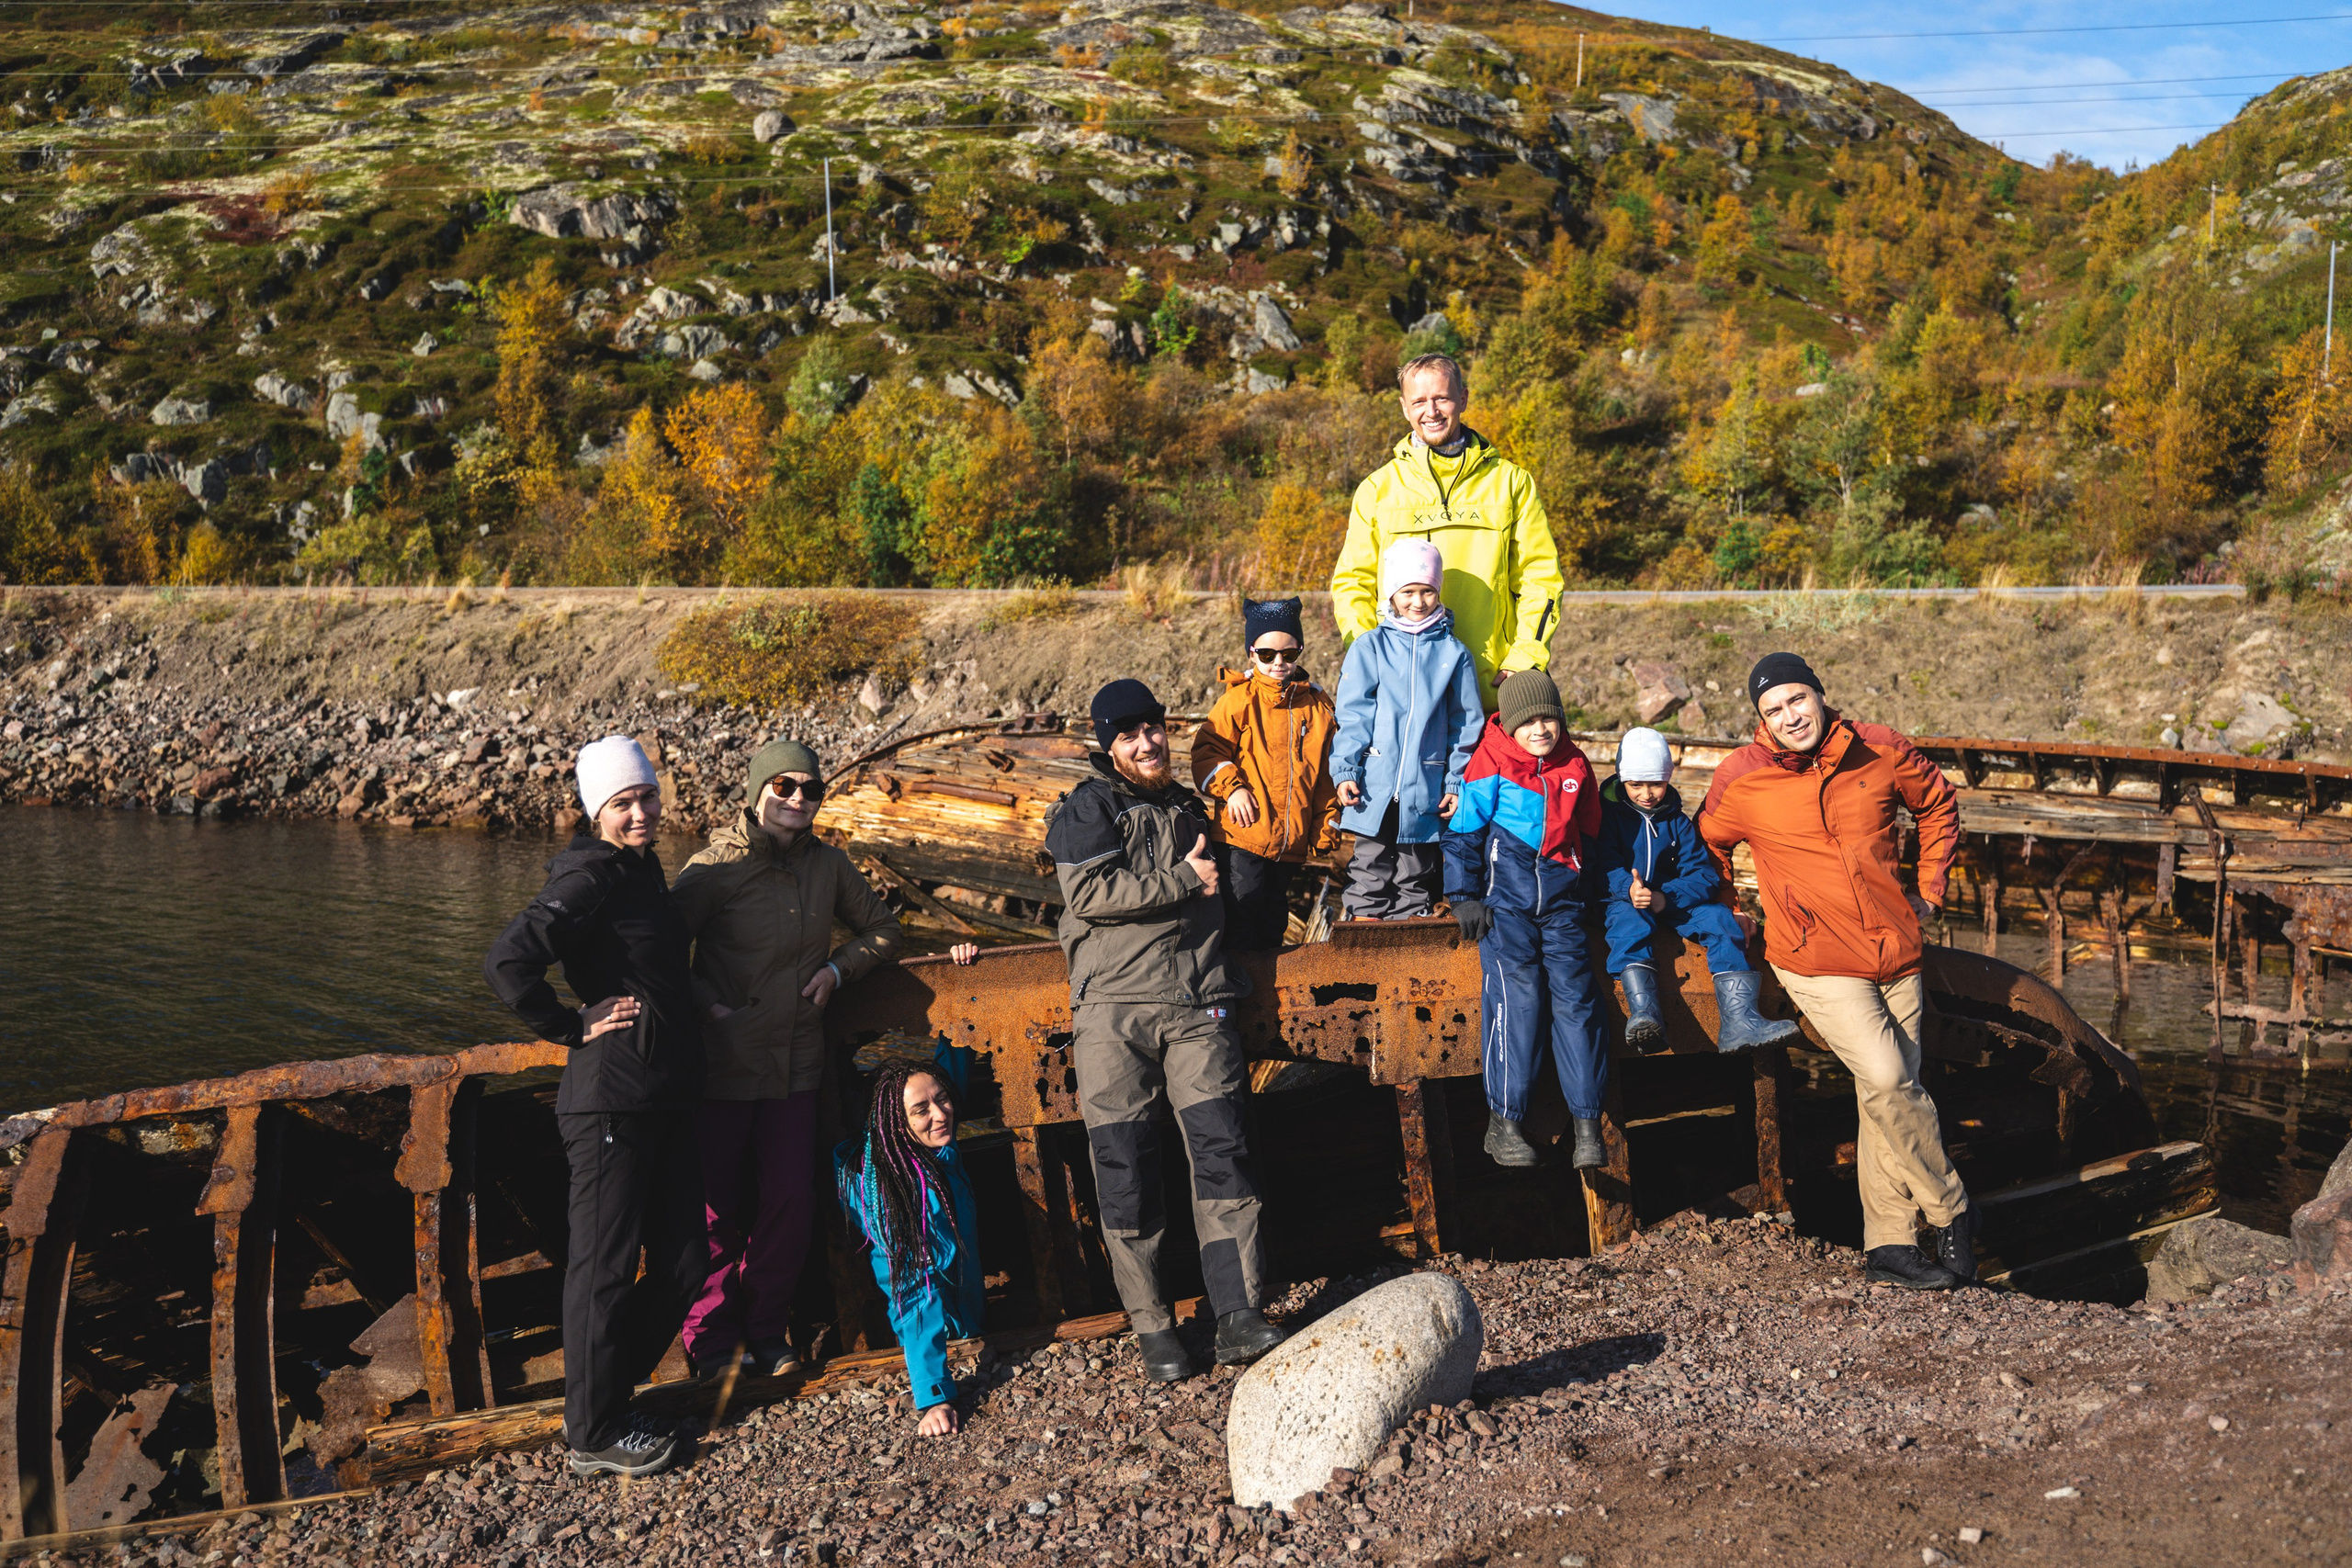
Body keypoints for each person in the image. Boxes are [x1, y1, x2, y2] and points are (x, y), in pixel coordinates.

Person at [1694, 652, 1975, 1291]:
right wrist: (1727, 909)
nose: (1790, 716)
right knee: (1888, 1077)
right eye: (1773, 709)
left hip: (1896, 952)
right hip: (1815, 958)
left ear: (1819, 694)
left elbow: (1937, 804)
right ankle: (1953, 1208)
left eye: (1797, 699)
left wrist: (1929, 893)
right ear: (1761, 719)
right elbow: (1705, 843)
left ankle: (1889, 1245)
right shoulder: (1743, 776)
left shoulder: (1879, 749)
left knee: (1885, 1097)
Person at [1043, 678, 1286, 1382]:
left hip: (1198, 1005)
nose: (1147, 742)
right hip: (1112, 1014)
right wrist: (1182, 878)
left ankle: (1238, 1313)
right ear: (1109, 745)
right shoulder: (1087, 807)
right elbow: (1089, 892)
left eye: (1153, 728)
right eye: (1130, 734)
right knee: (1125, 1170)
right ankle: (1155, 1328)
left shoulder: (1189, 805)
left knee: (1223, 1152)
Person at [484, 736, 703, 1479]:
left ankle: (607, 1393)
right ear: (595, 810)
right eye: (622, 803)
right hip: (610, 1100)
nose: (640, 812)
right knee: (603, 1268)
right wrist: (569, 1024)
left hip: (663, 1095)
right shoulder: (590, 875)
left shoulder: (642, 870)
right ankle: (592, 1430)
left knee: (687, 1259)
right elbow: (507, 961)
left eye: (646, 796)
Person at [670, 740, 901, 1382]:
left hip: (796, 1063)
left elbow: (884, 929)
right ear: (756, 792)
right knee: (715, 1210)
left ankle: (767, 1331)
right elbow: (660, 952)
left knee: (791, 1201)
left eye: (810, 789)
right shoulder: (713, 867)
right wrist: (706, 1005)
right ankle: (712, 1341)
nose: (798, 798)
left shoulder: (829, 866)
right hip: (721, 1065)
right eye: (784, 786)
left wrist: (838, 968)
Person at [1331, 351, 1566, 710]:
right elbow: (1353, 585)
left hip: (1493, 690)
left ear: (1463, 398)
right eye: (1419, 401)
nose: (1432, 411)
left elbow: (1541, 580)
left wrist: (1525, 658)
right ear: (1404, 408)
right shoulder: (1377, 489)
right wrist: (1371, 658)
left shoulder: (1511, 483)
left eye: (1442, 398)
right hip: (1403, 690)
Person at [1442, 671, 1607, 1169]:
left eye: (1548, 719)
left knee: (1578, 1002)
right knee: (1520, 1000)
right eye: (1528, 721)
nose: (1540, 729)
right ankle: (1504, 1123)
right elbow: (1464, 833)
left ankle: (1587, 1126)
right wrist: (1463, 897)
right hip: (1506, 907)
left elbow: (1590, 838)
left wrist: (1593, 897)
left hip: (1562, 908)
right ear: (1511, 724)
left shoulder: (1575, 764)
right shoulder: (1490, 761)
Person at [1596, 728, 1802, 1054]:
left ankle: (1740, 1021)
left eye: (1657, 784)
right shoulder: (1606, 818)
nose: (1647, 794)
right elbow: (1601, 864)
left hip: (1668, 898)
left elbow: (1702, 875)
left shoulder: (1677, 822)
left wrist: (1666, 898)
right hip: (1624, 898)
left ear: (1668, 778)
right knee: (1628, 923)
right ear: (1622, 780)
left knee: (1719, 918)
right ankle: (1645, 1014)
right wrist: (1627, 888)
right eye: (1636, 785)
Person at [1330, 539, 1486, 920]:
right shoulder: (1370, 646)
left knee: (1416, 872)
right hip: (1373, 783)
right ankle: (1363, 938)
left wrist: (1455, 781)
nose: (1418, 602)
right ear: (1392, 594)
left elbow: (1465, 724)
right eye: (1408, 592)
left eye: (1428, 591)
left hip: (1426, 785)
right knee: (1369, 868)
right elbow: (1353, 715)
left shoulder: (1455, 654)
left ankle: (1409, 942)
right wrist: (1346, 769)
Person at [837, 1041, 984, 1438]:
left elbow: (952, 1066)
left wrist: (960, 1017)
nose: (940, 1114)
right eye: (921, 1110)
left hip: (967, 1310)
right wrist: (934, 1396)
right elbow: (912, 1290)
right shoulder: (893, 1193)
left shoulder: (929, 1144)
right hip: (945, 1330)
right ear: (894, 1123)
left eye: (943, 1099)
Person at [1191, 595, 1341, 950]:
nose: (1278, 663)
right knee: (1239, 913)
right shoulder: (1238, 700)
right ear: (1251, 653)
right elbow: (1207, 753)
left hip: (1290, 843)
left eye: (1288, 654)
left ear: (1299, 651)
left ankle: (1265, 985)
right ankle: (1232, 982)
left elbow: (1327, 775)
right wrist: (1233, 789)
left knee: (1273, 920)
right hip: (1242, 836)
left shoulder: (1318, 707)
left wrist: (1326, 823)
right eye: (1267, 654)